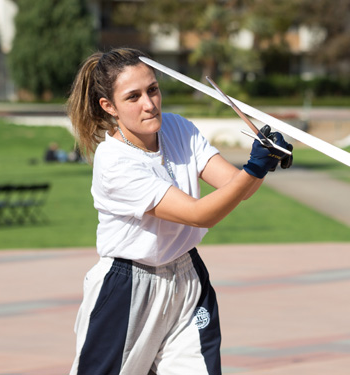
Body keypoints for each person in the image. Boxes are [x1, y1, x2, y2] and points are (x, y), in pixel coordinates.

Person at [66, 47, 292, 374]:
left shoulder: (177, 128)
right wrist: (254, 169)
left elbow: (235, 188)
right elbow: (200, 214)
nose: (149, 103)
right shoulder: (113, 162)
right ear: (109, 106)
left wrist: (263, 162)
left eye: (153, 90)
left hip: (188, 279)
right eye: (133, 97)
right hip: (129, 286)